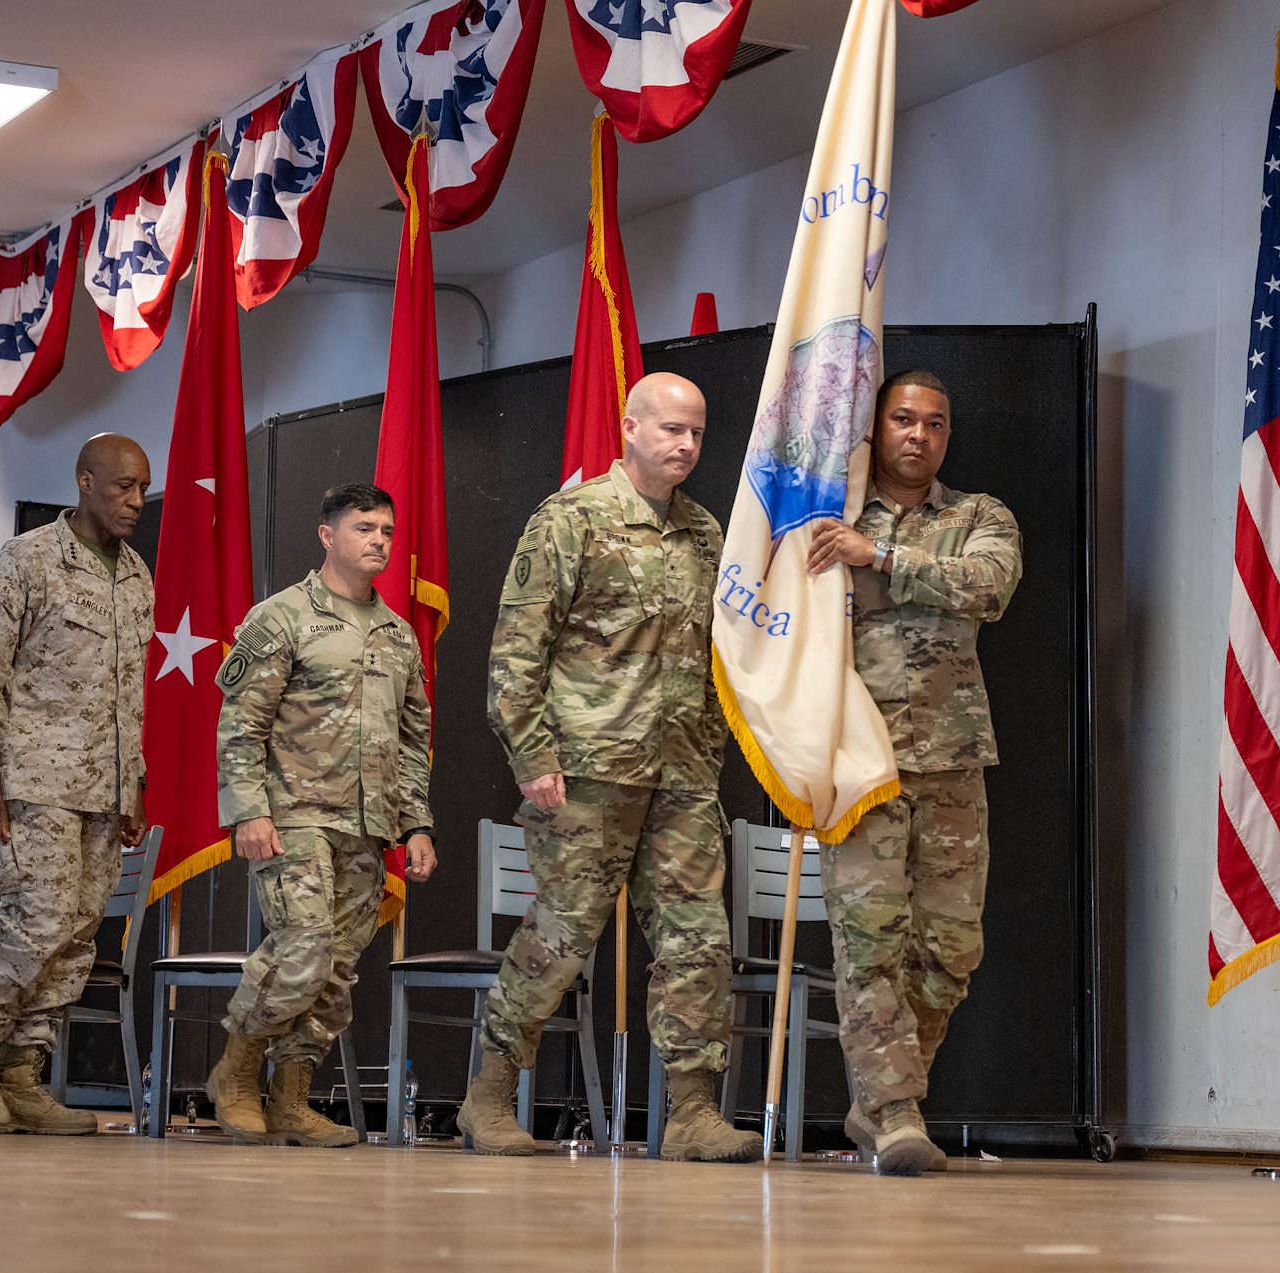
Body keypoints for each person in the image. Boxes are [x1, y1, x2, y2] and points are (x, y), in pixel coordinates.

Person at [461, 372, 761, 1163]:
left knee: (699, 941)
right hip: (587, 773)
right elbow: (516, 653)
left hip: (683, 776)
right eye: (670, 428)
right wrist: (533, 757)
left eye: (697, 433)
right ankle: (488, 1097)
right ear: (630, 427)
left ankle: (691, 1112)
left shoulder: (704, 532)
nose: (686, 445)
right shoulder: (572, 520)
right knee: (560, 936)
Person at [805, 371, 1022, 1176]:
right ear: (878, 427)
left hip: (952, 758)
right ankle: (895, 1110)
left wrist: (882, 556)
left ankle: (879, 1096)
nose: (918, 434)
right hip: (861, 762)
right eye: (903, 418)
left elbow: (989, 586)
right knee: (870, 943)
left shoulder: (978, 516)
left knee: (951, 949)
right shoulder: (829, 518)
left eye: (933, 423)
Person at [0, 433, 155, 1134]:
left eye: (143, 487)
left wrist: (132, 786)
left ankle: (22, 1075)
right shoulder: (27, 560)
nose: (136, 500)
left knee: (78, 937)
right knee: (38, 924)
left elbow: (130, 693)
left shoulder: (137, 576)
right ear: (84, 481)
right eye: (123, 486)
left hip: (102, 794)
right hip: (34, 786)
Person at [206, 484, 437, 1148]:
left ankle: (292, 1098)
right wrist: (248, 811)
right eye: (364, 527)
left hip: (368, 825)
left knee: (336, 968)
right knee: (304, 947)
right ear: (327, 535)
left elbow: (412, 739)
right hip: (294, 817)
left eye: (387, 530)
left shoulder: (397, 634)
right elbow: (241, 726)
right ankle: (236, 1075)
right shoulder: (281, 617)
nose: (379, 540)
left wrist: (416, 824)